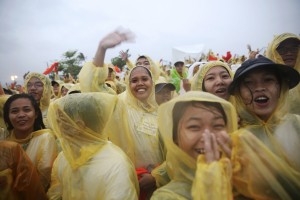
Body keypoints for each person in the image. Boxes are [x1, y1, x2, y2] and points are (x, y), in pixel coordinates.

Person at [78, 30, 164, 199]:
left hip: (161, 185)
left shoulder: (163, 109)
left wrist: (158, 175)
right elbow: (92, 87)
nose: (140, 83)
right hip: (126, 181)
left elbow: (176, 149)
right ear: (128, 83)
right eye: (134, 80)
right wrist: (101, 49)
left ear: (152, 82)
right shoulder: (118, 104)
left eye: (144, 79)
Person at [228, 55, 300, 199]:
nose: (259, 88)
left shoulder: (297, 125)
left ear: (280, 87)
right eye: (249, 83)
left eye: (268, 80)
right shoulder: (232, 138)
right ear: (240, 94)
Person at [47, 93, 139, 199]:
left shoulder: (116, 164)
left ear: (78, 126)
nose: (57, 127)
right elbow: (55, 193)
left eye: (61, 121)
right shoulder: (64, 157)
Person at [151, 91, 237, 199]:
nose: (208, 137)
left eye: (218, 125)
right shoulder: (167, 197)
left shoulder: (242, 181)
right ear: (175, 138)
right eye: (194, 127)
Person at [1, 93, 57, 191]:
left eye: (27, 110)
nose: (21, 115)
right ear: (7, 116)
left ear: (36, 114)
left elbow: (44, 178)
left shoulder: (45, 138)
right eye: (14, 111)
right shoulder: (3, 137)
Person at [266, 33, 300, 114]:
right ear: (272, 52)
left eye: (294, 48)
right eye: (282, 49)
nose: (289, 53)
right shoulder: (263, 81)